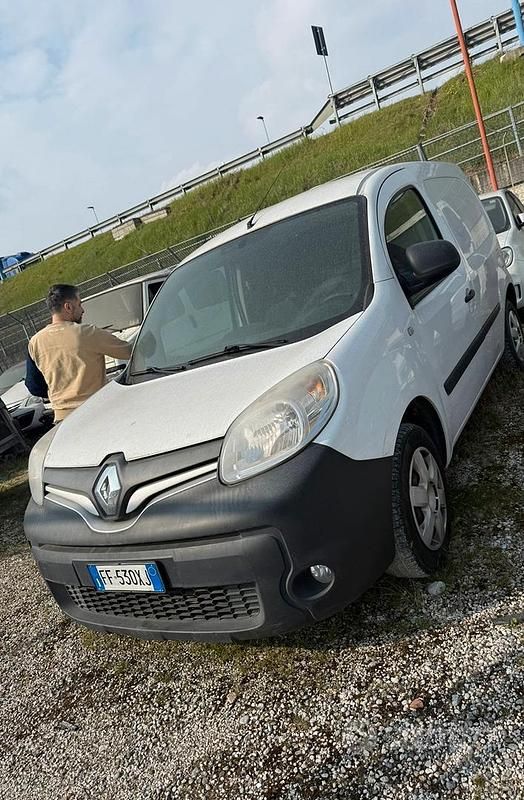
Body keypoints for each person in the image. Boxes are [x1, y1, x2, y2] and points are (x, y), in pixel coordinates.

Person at [28, 283, 133, 422]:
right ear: (68, 307)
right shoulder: (87, 333)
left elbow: (33, 385)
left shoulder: (35, 342)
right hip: (98, 411)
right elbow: (130, 352)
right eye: (79, 304)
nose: (82, 310)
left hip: (63, 420)